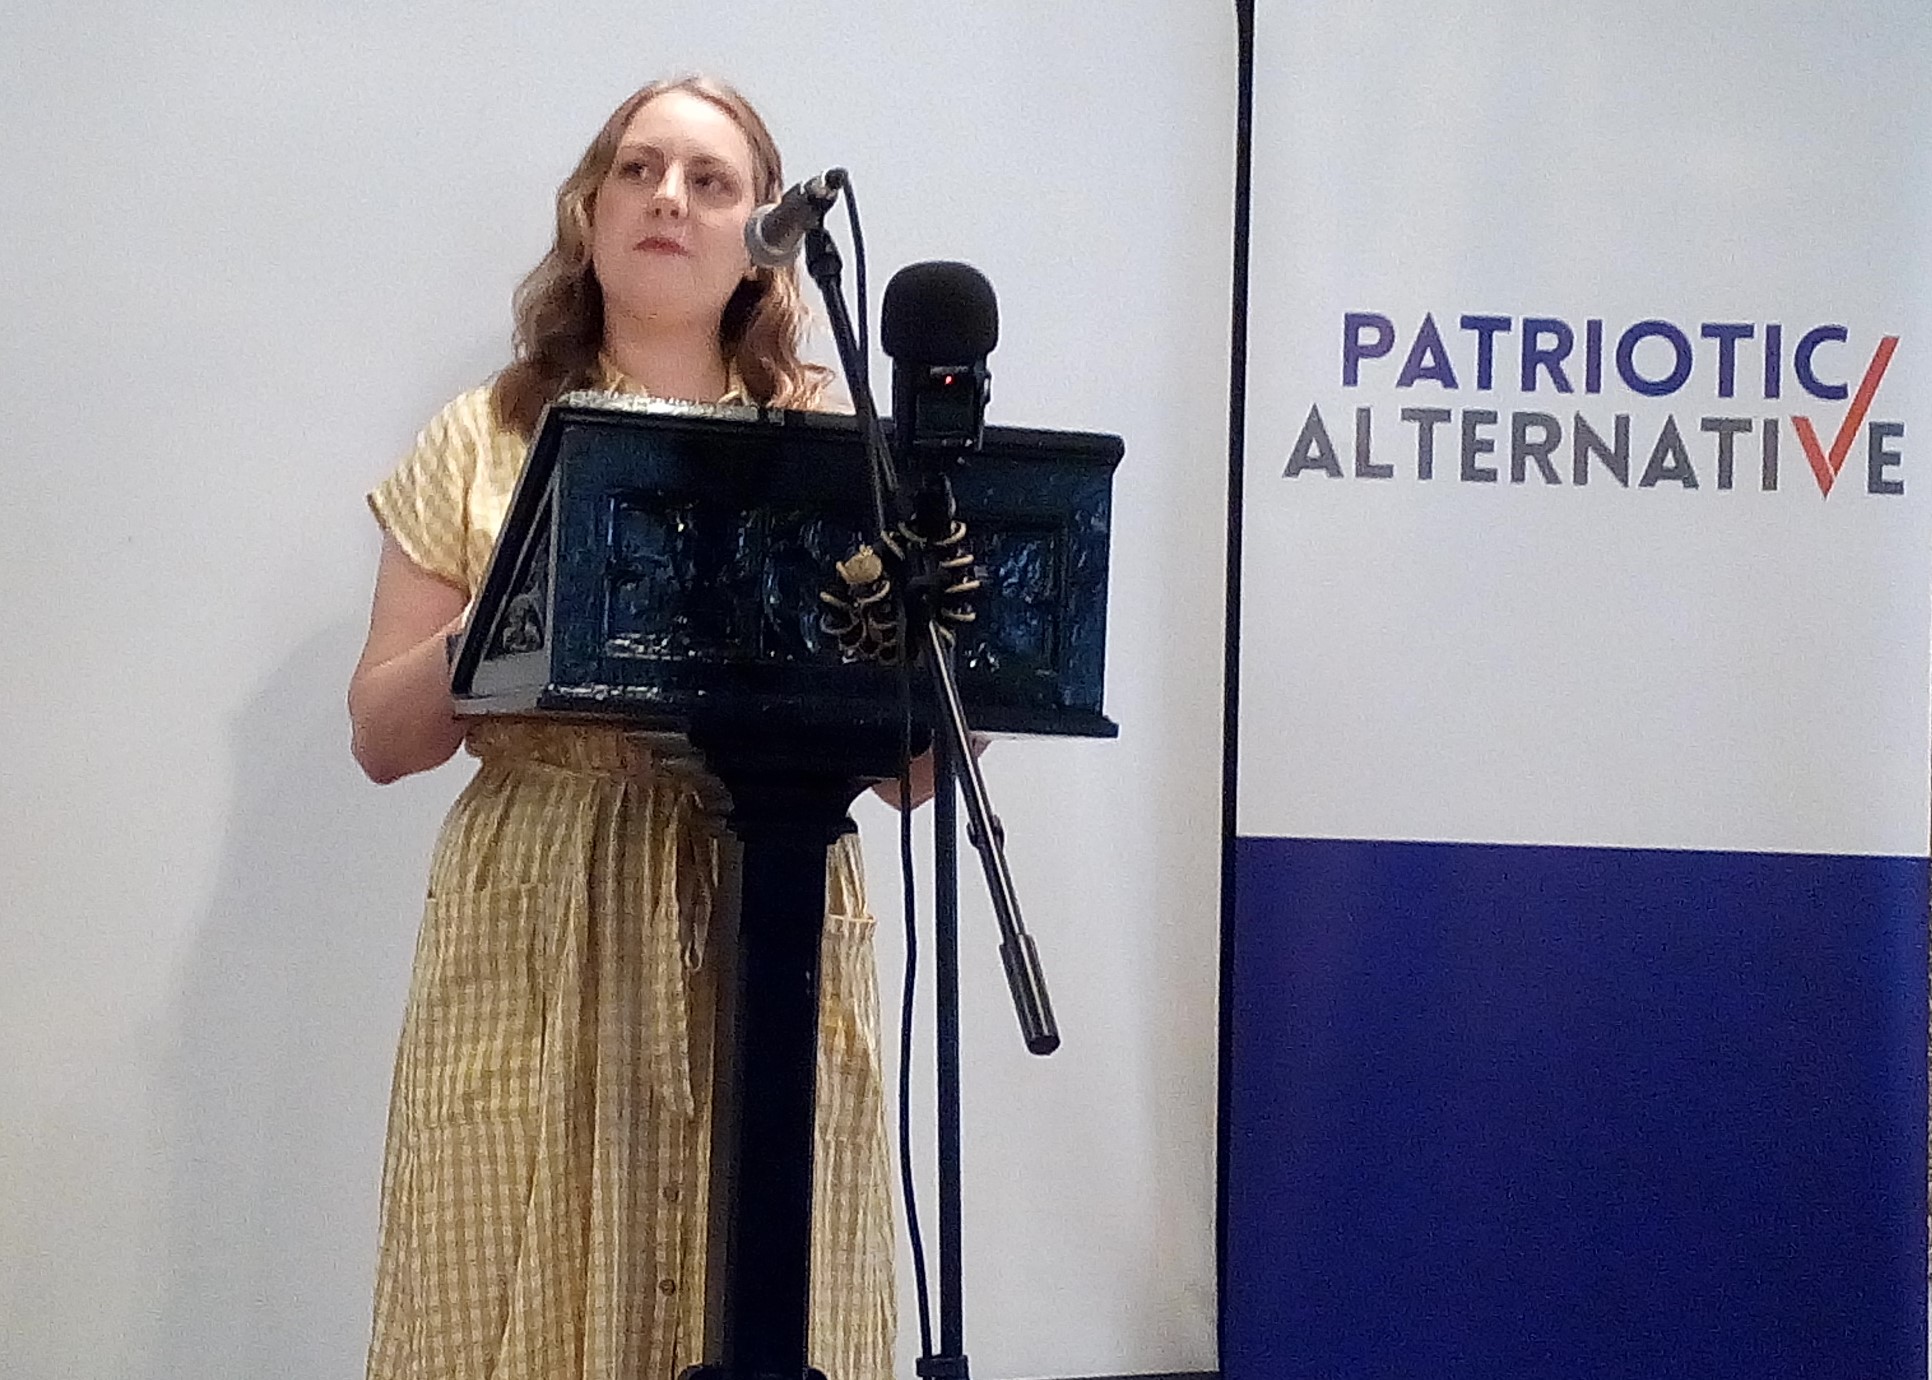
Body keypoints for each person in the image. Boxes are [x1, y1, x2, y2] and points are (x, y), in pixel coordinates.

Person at [347, 75, 895, 1380]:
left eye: (711, 181)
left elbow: (918, 775)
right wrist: (508, 615)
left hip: (766, 900)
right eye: (639, 170)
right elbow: (381, 737)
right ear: (588, 213)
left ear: (764, 238)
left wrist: (944, 650)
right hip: (544, 897)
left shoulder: (832, 446)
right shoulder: (485, 436)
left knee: (764, 1284)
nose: (669, 200)